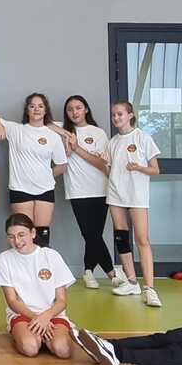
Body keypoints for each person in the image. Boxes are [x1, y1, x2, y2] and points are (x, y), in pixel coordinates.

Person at [49, 96, 120, 290]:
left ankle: (88, 271)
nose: (74, 112)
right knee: (90, 233)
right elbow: (45, 123)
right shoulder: (63, 130)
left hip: (100, 189)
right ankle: (112, 274)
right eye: (70, 109)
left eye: (78, 108)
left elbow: (103, 164)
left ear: (86, 109)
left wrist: (77, 148)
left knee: (94, 235)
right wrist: (66, 134)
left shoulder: (98, 133)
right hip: (77, 190)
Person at [0, 93, 67, 249]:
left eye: (40, 106)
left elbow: (62, 165)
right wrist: (0, 126)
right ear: (27, 110)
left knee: (42, 235)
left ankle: (42, 265)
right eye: (32, 106)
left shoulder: (52, 135)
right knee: (23, 233)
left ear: (45, 110)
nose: (36, 109)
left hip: (45, 189)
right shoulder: (16, 129)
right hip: (20, 189)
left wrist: (45, 176)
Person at [0, 213, 74, 359]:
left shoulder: (51, 256)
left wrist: (46, 317)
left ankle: (53, 337)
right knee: (30, 348)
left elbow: (61, 301)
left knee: (63, 350)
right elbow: (12, 301)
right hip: (23, 315)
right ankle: (28, 336)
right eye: (11, 237)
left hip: (52, 314)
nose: (17, 241)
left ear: (33, 233)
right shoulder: (4, 259)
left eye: (21, 235)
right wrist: (36, 318)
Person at [105, 100, 162, 306]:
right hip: (115, 195)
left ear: (130, 115)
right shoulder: (112, 142)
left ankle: (150, 288)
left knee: (142, 239)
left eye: (120, 114)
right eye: (113, 114)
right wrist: (102, 162)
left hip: (137, 196)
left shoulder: (143, 138)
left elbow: (155, 169)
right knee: (121, 237)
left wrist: (138, 167)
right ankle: (131, 282)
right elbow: (109, 170)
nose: (116, 118)